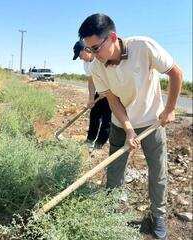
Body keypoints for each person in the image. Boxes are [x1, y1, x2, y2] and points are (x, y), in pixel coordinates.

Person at [78, 13, 182, 239]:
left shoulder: (143, 47)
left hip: (153, 121)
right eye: (90, 49)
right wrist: (128, 129)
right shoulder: (97, 67)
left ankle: (158, 217)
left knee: (157, 171)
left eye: (96, 48)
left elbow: (176, 73)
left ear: (112, 37)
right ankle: (112, 210)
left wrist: (170, 109)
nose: (94, 55)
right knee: (114, 170)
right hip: (119, 124)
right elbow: (113, 101)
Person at [73, 40, 111, 150]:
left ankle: (99, 143)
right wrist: (91, 99)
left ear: (86, 50)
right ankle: (90, 140)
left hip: (112, 93)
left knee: (107, 119)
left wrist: (108, 91)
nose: (80, 58)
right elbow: (91, 82)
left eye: (80, 55)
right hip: (99, 93)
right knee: (94, 115)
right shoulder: (86, 64)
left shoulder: (101, 58)